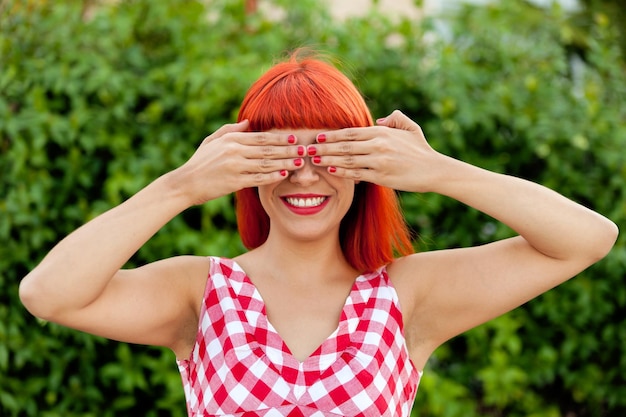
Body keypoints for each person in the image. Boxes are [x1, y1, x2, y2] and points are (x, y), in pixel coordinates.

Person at [19, 52, 618, 417]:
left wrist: (438, 170)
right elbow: (47, 295)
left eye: (329, 152)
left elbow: (587, 238)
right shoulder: (200, 292)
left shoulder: (406, 297)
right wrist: (180, 186)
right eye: (283, 153)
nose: (305, 175)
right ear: (247, 167)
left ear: (363, 165)